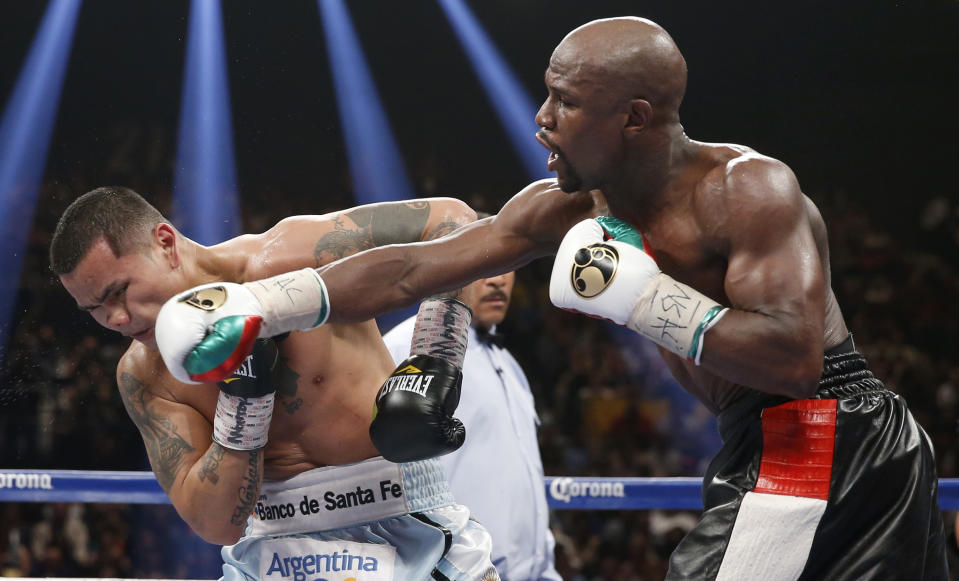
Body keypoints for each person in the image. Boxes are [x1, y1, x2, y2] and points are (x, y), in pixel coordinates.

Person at [163, 16, 949, 579]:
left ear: (633, 117)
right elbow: (412, 269)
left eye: (565, 101)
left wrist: (645, 298)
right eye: (546, 95)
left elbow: (794, 357)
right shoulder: (569, 206)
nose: (541, 120)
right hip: (755, 440)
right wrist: (269, 302)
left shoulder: (746, 189)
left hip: (826, 431)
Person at [49, 186, 501, 581]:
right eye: (94, 310)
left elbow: (453, 220)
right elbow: (214, 524)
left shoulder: (284, 259)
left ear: (165, 243)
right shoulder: (144, 372)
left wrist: (433, 359)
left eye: (118, 291)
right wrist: (244, 405)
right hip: (272, 557)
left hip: (409, 523)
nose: (117, 319)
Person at [383, 259, 562, 581]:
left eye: (508, 266)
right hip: (455, 571)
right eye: (485, 266)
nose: (499, 281)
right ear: (452, 268)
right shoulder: (405, 350)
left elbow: (523, 475)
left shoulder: (509, 363)